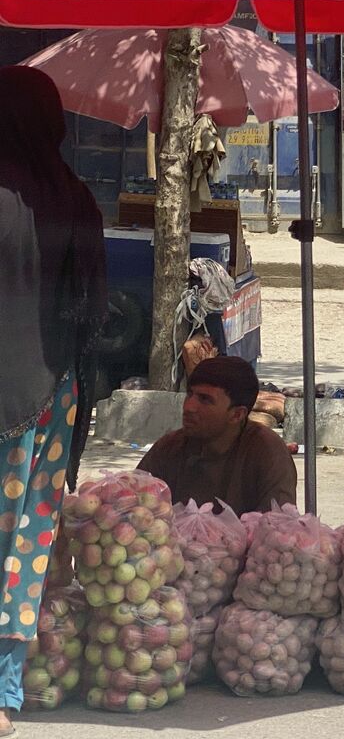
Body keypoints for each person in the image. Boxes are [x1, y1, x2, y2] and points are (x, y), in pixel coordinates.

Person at [0, 66, 108, 731]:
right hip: (52, 396)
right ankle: (4, 693)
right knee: (25, 542)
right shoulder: (74, 196)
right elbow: (94, 311)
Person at [137, 356, 297, 515]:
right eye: (190, 394)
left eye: (205, 400)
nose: (189, 407)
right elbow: (131, 503)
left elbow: (276, 528)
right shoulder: (170, 447)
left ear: (237, 415)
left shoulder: (267, 452)